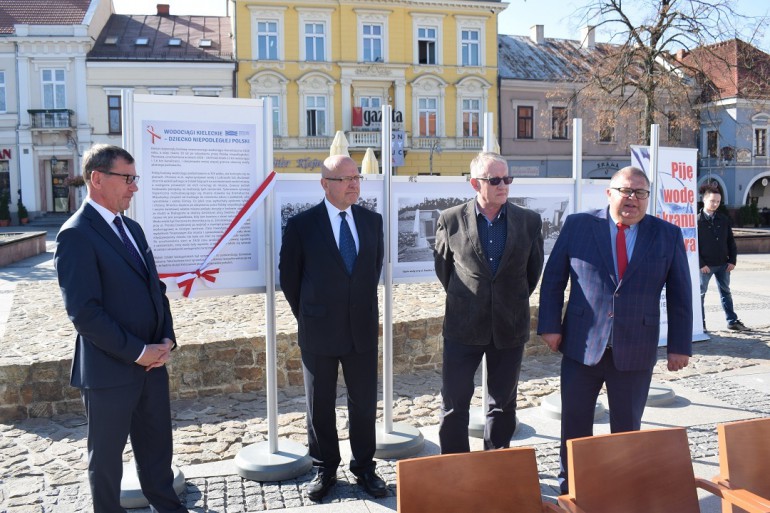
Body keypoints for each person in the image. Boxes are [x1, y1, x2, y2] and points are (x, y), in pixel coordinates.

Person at [537, 166, 693, 494]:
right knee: (575, 429)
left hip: (635, 350)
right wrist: (550, 325)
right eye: (625, 191)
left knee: (627, 430)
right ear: (609, 193)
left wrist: (680, 345)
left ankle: (622, 492)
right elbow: (553, 278)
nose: (632, 199)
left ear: (648, 198)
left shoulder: (667, 234)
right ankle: (572, 492)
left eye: (640, 193)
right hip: (581, 347)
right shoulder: (579, 225)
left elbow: (681, 294)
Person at [54, 144, 187, 513]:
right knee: (107, 461)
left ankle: (170, 508)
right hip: (109, 372)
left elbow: (154, 289)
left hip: (152, 365)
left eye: (135, 178)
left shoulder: (132, 228)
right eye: (127, 178)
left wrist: (165, 339)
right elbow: (84, 313)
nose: (134, 187)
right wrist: (138, 351)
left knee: (158, 451)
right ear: (97, 178)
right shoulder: (76, 234)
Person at [279, 155, 386, 501]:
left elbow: (372, 271)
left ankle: (365, 466)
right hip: (319, 329)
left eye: (357, 177)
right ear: (325, 184)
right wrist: (309, 314)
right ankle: (325, 467)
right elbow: (290, 279)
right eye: (345, 179)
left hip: (362, 330)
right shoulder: (302, 226)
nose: (354, 184)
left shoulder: (372, 221)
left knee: (364, 403)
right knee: (320, 404)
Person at [433, 152, 544, 454]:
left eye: (507, 178)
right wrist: (473, 299)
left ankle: (496, 466)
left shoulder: (529, 221)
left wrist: (506, 300)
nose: (503, 185)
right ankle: (456, 466)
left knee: (503, 404)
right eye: (495, 180)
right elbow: (445, 270)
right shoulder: (451, 219)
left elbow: (532, 273)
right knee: (454, 402)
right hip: (462, 326)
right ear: (475, 183)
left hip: (509, 326)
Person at [697, 184, 749, 331]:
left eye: (718, 201)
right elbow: (692, 246)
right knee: (701, 294)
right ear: (704, 200)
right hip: (705, 266)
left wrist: (732, 260)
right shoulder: (697, 221)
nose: (715, 204)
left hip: (723, 265)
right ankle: (701, 324)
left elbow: (731, 241)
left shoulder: (723, 219)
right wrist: (701, 264)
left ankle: (732, 321)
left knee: (726, 292)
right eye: (712, 201)